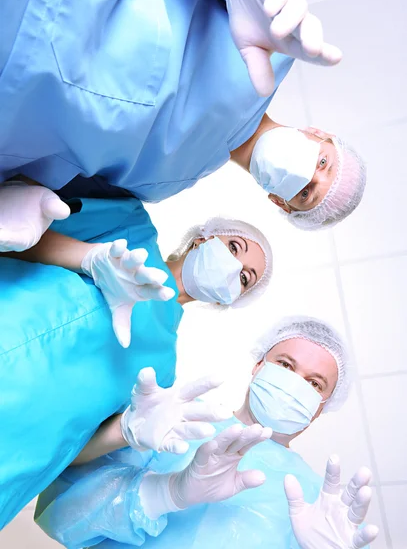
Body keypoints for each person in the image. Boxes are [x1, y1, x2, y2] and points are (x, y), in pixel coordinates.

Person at [0, 0, 365, 251]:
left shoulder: (160, 186)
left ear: (279, 202)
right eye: (322, 163)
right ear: (317, 133)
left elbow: (47, 178)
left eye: (305, 193)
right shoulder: (272, 42)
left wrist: (18, 196)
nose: (307, 175)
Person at [0, 195, 273, 528]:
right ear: (204, 237)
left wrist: (128, 431)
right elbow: (15, 231)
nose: (234, 269)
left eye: (245, 278)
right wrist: (87, 258)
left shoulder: (161, 374)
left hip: (11, 456)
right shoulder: (129, 225)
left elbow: (74, 455)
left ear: (228, 301)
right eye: (233, 248)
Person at [35, 316, 379, 549]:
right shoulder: (181, 420)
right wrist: (164, 493)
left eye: (314, 383)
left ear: (321, 407)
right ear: (259, 366)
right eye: (286, 365)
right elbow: (61, 516)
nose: (293, 383)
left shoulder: (315, 500)